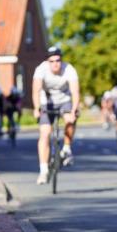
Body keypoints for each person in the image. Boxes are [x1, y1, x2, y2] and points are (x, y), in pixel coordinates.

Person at [32, 46, 81, 184]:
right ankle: (43, 170)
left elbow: (75, 92)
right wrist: (36, 109)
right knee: (45, 133)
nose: (55, 64)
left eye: (58, 60)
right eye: (52, 61)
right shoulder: (40, 70)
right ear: (48, 62)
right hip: (46, 102)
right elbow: (35, 90)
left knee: (70, 120)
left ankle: (66, 148)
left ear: (61, 60)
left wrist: (73, 110)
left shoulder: (69, 70)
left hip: (64, 100)